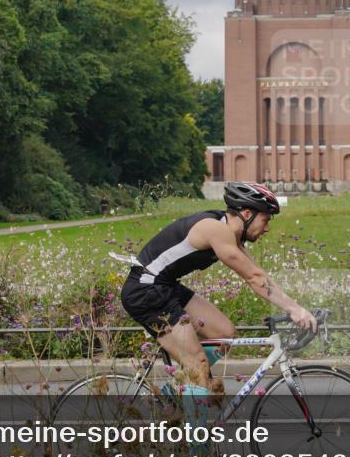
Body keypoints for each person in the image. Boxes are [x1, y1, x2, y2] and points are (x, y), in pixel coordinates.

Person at [120, 182, 317, 431]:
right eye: (266, 220)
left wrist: (294, 306)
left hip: (165, 286)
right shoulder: (215, 229)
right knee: (197, 365)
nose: (267, 228)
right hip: (145, 291)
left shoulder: (231, 234)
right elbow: (254, 279)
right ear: (247, 214)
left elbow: (258, 274)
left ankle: (177, 390)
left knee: (224, 332)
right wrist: (295, 310)